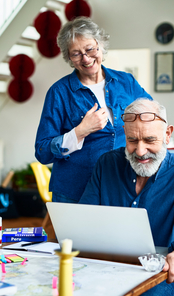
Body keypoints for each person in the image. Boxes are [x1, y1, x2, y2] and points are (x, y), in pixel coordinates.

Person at [79, 98, 174, 295]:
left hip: (160, 276)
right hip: (108, 268)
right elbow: (84, 218)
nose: (140, 151)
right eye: (132, 140)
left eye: (150, 140)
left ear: (167, 134)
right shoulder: (107, 164)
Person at [34, 17, 152, 203]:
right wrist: (80, 131)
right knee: (73, 234)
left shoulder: (126, 82)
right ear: (69, 58)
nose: (86, 59)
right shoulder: (59, 92)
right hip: (75, 191)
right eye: (76, 54)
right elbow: (42, 150)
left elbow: (152, 118)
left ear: (100, 45)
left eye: (90, 49)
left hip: (122, 187)